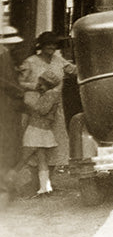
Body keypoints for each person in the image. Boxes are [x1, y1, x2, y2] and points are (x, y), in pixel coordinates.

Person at [18, 32, 75, 170]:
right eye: (48, 44)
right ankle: (31, 179)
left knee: (55, 142)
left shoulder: (59, 60)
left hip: (55, 109)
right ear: (41, 46)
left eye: (54, 44)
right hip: (34, 108)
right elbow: (18, 83)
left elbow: (74, 71)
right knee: (33, 144)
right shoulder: (30, 62)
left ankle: (48, 181)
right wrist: (34, 86)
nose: (51, 47)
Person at [22, 69, 61, 195]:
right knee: (41, 159)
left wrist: (29, 106)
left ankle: (5, 183)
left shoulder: (50, 94)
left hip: (35, 130)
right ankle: (45, 187)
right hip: (43, 130)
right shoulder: (50, 93)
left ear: (47, 84)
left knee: (21, 158)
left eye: (41, 83)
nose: (39, 86)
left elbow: (42, 110)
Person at [0, 25, 24, 203]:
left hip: (8, 107)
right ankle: (6, 189)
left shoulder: (6, 55)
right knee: (8, 147)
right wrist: (19, 91)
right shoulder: (3, 54)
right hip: (6, 107)